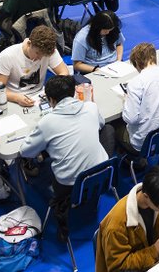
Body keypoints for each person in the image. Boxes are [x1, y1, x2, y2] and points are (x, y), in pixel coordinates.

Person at [20, 75, 109, 240]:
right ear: (74, 92)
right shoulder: (90, 107)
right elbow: (101, 124)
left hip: (69, 185)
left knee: (46, 153)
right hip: (103, 174)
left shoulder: (47, 122)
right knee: (108, 131)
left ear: (51, 100)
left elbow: (25, 152)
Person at [95, 166, 159, 272]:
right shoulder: (116, 226)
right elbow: (118, 267)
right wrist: (154, 251)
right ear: (146, 196)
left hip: (153, 263)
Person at [118, 42, 159, 160]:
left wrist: (126, 102)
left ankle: (134, 162)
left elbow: (130, 118)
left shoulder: (136, 83)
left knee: (114, 126)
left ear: (136, 63)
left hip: (142, 144)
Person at [0, 25, 69, 106]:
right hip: (13, 98)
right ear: (29, 44)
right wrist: (16, 98)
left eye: (44, 56)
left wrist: (52, 89)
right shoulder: (7, 56)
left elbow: (64, 73)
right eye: (37, 53)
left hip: (39, 95)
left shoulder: (48, 51)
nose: (40, 58)